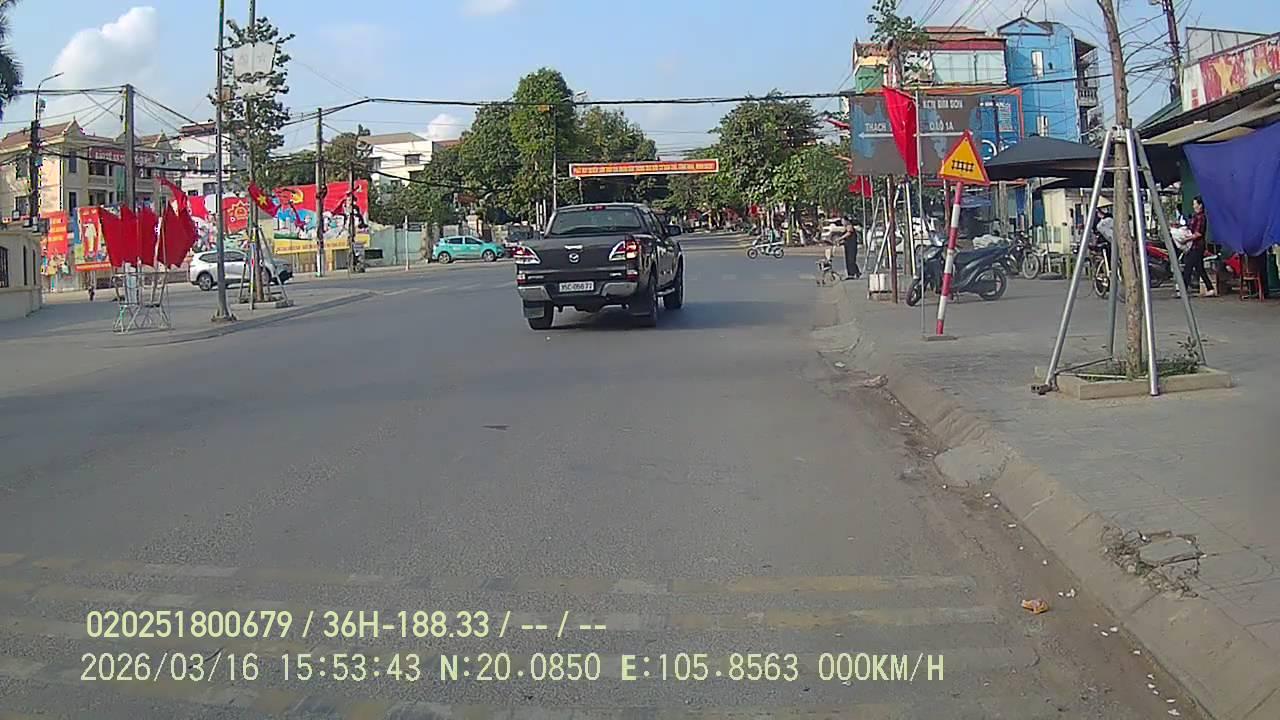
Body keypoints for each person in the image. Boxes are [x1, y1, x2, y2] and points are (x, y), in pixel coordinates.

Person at [1178, 196, 1214, 298]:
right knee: (1199, 268)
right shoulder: (1195, 216)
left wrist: (1186, 239)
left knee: (1188, 267)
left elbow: (1198, 233)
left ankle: (1183, 290)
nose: (1194, 206)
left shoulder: (1201, 217)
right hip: (1194, 246)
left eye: (1195, 204)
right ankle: (1210, 288)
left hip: (1197, 246)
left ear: (1200, 205)